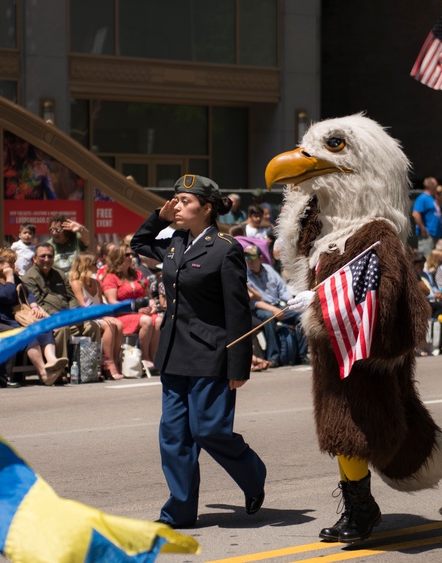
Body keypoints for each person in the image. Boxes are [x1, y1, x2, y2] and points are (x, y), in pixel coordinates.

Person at [131, 174, 266, 529]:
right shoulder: (174, 242)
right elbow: (139, 244)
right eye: (174, 200)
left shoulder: (225, 248)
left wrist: (239, 364)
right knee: (174, 436)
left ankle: (253, 476)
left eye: (184, 201)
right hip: (174, 352)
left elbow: (238, 311)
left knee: (209, 431)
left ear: (206, 208)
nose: (177, 205)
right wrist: (158, 217)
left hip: (211, 353)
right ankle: (180, 510)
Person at [0, 248, 68, 386]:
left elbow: (28, 292)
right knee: (29, 335)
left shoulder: (15, 278)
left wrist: (34, 306)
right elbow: (8, 295)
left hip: (21, 317)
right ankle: (44, 374)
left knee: (43, 327)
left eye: (13, 262)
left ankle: (52, 360)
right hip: (4, 320)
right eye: (9, 263)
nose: (12, 266)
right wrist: (9, 277)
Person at [23, 242, 102, 369]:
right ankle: (60, 369)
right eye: (43, 256)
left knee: (91, 326)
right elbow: (39, 303)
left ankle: (90, 367)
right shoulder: (29, 278)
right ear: (34, 259)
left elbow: (71, 297)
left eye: (50, 256)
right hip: (48, 319)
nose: (47, 260)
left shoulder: (60, 274)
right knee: (62, 328)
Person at [243, 244, 307, 366]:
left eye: (252, 258)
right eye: (246, 258)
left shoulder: (268, 269)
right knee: (268, 317)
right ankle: (274, 357)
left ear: (260, 258)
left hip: (278, 305)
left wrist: (292, 302)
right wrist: (273, 310)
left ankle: (301, 354)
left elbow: (282, 289)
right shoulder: (245, 275)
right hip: (260, 308)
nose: (249, 261)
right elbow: (254, 301)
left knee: (302, 314)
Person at [102, 245, 161, 372]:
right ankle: (145, 358)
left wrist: (152, 306)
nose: (131, 257)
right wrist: (135, 310)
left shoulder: (138, 275)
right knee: (147, 320)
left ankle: (153, 356)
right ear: (118, 258)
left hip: (141, 313)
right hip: (122, 315)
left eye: (132, 255)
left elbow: (147, 296)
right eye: (126, 255)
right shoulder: (111, 278)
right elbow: (113, 302)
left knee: (158, 320)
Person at [68, 253, 125, 379]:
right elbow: (83, 306)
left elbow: (99, 305)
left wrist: (105, 314)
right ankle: (109, 364)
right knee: (108, 325)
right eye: (94, 263)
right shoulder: (76, 283)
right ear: (85, 265)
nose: (97, 265)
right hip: (85, 318)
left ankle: (114, 362)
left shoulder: (96, 283)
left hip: (97, 317)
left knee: (118, 324)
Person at [411, 177, 442, 256]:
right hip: (427, 236)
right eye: (435, 184)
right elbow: (415, 214)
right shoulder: (422, 198)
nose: (437, 186)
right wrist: (422, 228)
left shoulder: (432, 199)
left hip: (435, 235)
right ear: (430, 185)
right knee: (426, 259)